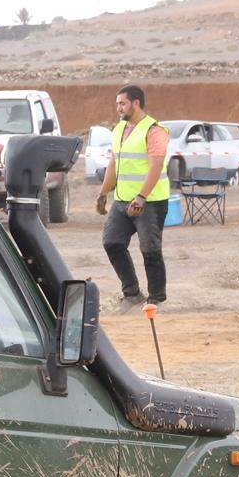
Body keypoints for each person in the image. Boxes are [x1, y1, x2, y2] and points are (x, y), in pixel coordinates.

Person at [95, 85, 171, 309]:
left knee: (149, 248)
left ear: (136, 103)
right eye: (117, 103)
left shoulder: (154, 130)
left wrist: (141, 197)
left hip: (150, 202)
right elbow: (114, 164)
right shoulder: (119, 129)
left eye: (122, 103)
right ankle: (132, 293)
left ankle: (156, 298)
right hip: (122, 201)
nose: (118, 108)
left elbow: (156, 165)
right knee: (112, 242)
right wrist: (102, 194)